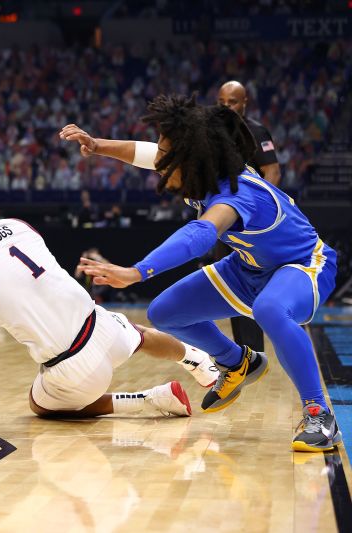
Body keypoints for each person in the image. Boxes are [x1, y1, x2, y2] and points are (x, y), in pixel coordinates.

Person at [61, 94, 340, 452]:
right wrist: (98, 145)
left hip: (304, 265)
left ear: (190, 159)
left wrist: (137, 272)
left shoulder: (236, 195)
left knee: (270, 309)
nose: (159, 163)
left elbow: (201, 235)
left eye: (167, 157)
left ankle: (319, 414)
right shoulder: (200, 171)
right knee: (164, 313)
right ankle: (238, 362)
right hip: (249, 268)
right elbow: (147, 154)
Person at [0, 174, 220, 420]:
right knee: (141, 335)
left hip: (71, 364)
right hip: (100, 325)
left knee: (40, 405)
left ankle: (149, 399)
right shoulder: (17, 224)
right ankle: (197, 360)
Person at [215, 81, 282, 354]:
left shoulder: (256, 131)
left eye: (232, 102)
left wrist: (259, 214)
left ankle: (257, 350)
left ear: (245, 103)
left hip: (250, 225)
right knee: (229, 286)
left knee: (252, 283)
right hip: (221, 221)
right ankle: (244, 353)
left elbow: (273, 172)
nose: (226, 107)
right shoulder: (210, 132)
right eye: (222, 102)